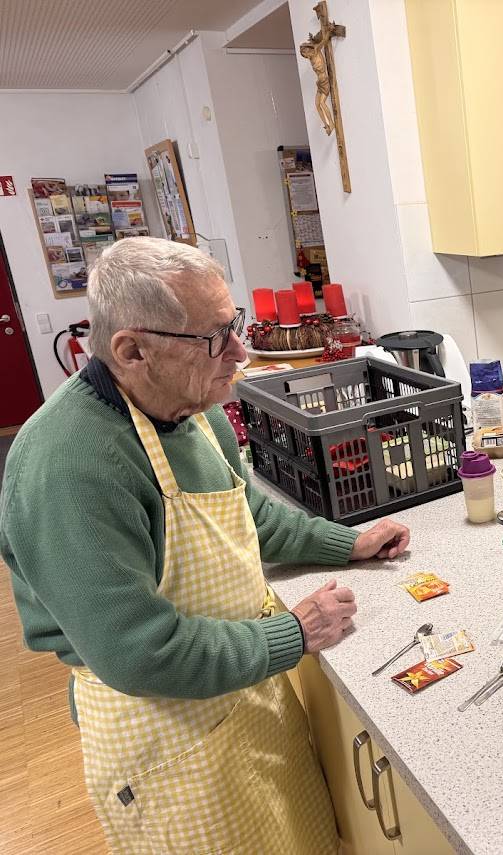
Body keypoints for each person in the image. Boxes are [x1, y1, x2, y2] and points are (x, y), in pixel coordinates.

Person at [0, 237, 411, 853]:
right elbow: (138, 653)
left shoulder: (195, 408)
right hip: (163, 734)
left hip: (245, 698)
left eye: (233, 324)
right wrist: (293, 634)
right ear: (132, 350)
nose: (240, 352)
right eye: (214, 337)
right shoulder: (68, 467)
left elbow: (249, 516)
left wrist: (347, 542)